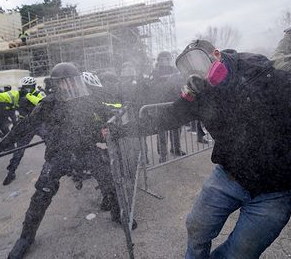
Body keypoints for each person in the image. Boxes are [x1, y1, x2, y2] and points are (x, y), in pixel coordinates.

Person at [124, 40, 291, 258]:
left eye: (198, 62)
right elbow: (165, 118)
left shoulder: (260, 73)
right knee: (196, 227)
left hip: (275, 193)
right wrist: (120, 129)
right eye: (187, 68)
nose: (196, 72)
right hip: (229, 176)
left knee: (239, 253)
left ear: (216, 54)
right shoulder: (200, 95)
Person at [0, 62, 123, 259]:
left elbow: (104, 117)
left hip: (85, 149)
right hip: (59, 154)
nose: (69, 87)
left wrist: (106, 126)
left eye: (72, 82)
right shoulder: (48, 104)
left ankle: (117, 212)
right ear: (57, 85)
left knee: (107, 177)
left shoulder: (88, 99)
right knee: (42, 193)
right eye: (64, 83)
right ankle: (26, 237)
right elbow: (21, 128)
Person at [0, 76, 44, 185]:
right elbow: (1, 96)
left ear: (33, 86)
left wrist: (29, 96)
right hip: (24, 125)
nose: (27, 89)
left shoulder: (39, 93)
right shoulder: (17, 94)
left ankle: (67, 165)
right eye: (25, 87)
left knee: (54, 142)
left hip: (39, 124)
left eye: (29, 87)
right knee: (19, 150)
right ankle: (11, 172)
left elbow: (42, 103)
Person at [148, 51, 186, 161]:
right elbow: (153, 88)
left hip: (174, 104)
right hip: (160, 106)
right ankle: (163, 154)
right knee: (162, 131)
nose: (165, 61)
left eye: (167, 58)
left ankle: (176, 148)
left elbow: (181, 85)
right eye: (163, 59)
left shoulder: (175, 71)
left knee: (176, 128)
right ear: (159, 60)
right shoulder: (155, 72)